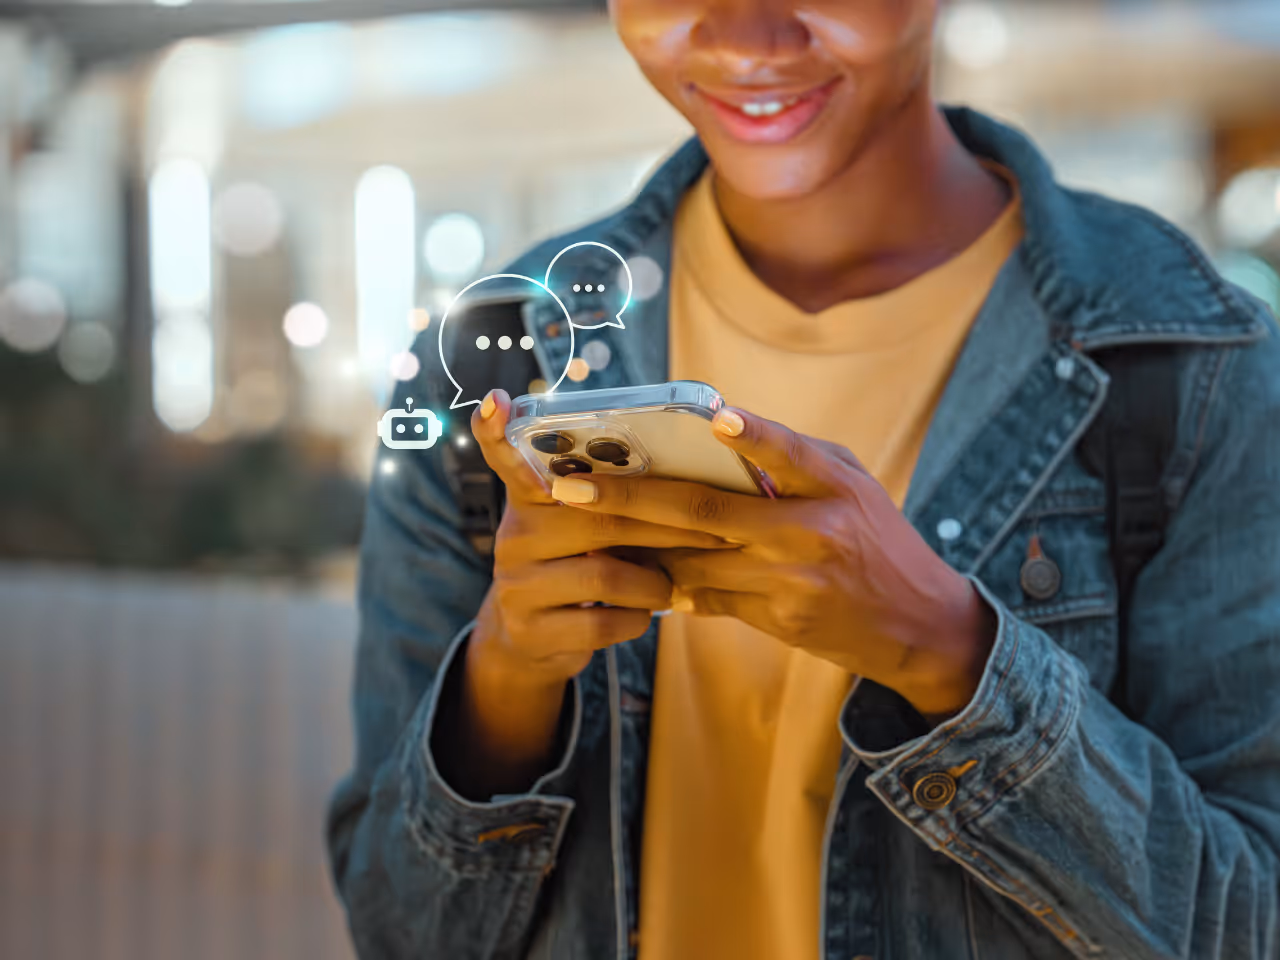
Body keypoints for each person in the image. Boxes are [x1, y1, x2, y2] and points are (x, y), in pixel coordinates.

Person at [325, 1, 1280, 957]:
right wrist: (504, 683)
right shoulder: (491, 360)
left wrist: (950, 654)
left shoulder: (1197, 368)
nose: (747, 36)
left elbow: (1250, 922)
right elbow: (397, 929)